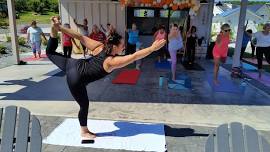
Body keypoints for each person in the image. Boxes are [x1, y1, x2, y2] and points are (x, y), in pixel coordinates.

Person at [47, 16, 166, 142]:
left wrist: (60, 28)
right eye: (122, 45)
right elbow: (134, 56)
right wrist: (152, 49)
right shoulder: (111, 62)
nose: (124, 47)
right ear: (114, 46)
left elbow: (79, 37)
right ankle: (84, 131)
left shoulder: (100, 46)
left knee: (50, 52)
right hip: (76, 79)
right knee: (84, 105)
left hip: (72, 64)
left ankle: (54, 29)